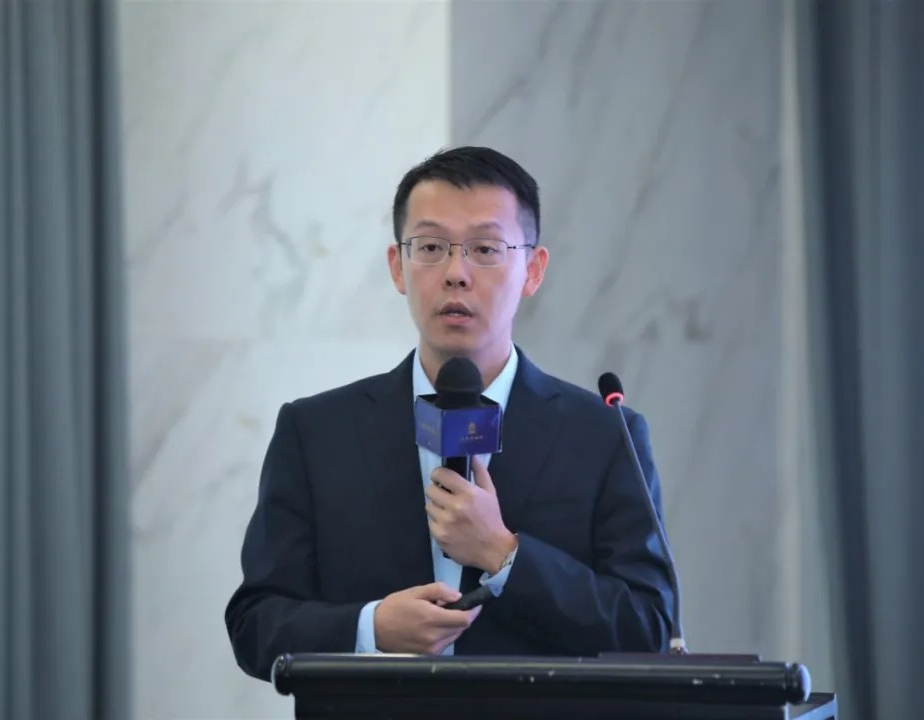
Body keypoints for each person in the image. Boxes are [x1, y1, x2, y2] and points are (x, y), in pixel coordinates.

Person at [225, 146, 675, 681]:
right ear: (397, 266)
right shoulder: (316, 432)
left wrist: (505, 555)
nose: (456, 273)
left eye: (485, 249)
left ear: (532, 270)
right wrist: (370, 628)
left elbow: (649, 627)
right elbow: (256, 624)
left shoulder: (604, 436)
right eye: (431, 247)